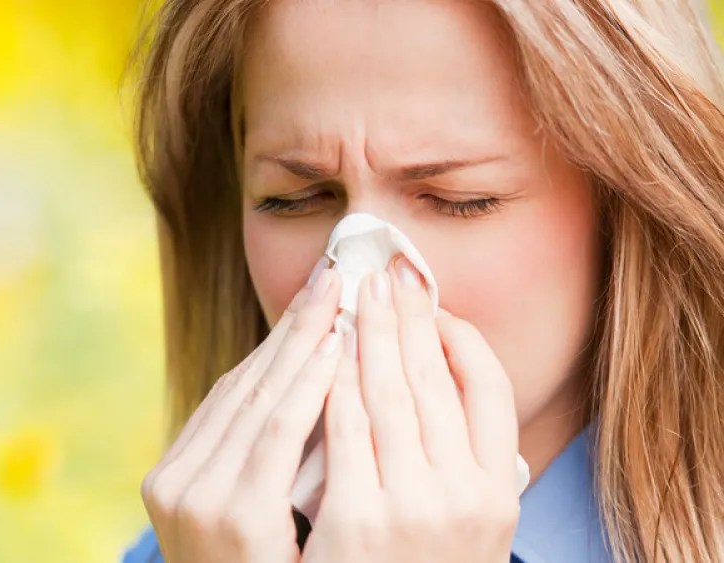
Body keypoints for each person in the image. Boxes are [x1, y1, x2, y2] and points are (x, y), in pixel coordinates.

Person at [122, 0, 724, 561]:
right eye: (295, 198)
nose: (362, 282)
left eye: (460, 200)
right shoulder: (189, 542)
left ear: (630, 208)